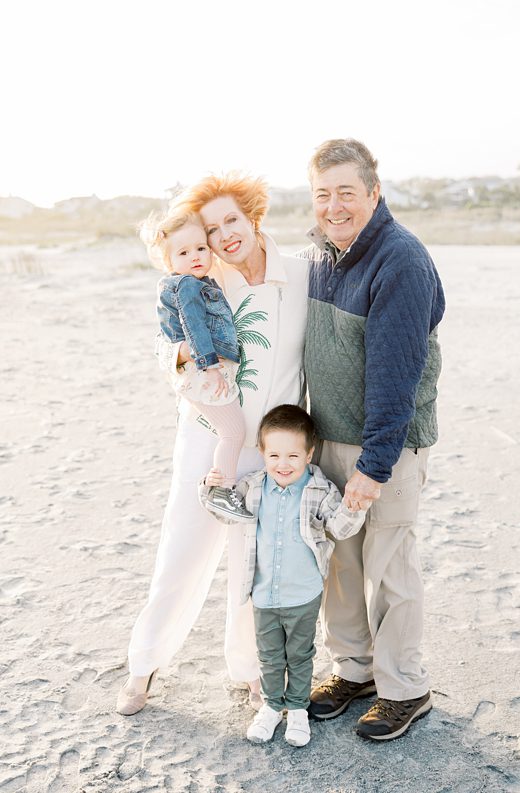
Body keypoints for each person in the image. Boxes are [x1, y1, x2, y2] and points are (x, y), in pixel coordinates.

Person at [117, 174, 310, 716]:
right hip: (207, 438)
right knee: (181, 552)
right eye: (211, 228)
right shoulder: (203, 276)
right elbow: (163, 342)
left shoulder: (301, 274)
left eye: (231, 221)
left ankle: (251, 673)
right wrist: (179, 356)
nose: (223, 236)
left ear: (253, 217)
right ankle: (143, 665)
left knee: (255, 565)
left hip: (270, 448)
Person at [300, 139, 445, 741]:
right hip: (328, 437)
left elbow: (397, 375)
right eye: (323, 194)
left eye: (346, 193)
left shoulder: (400, 260)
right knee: (339, 564)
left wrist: (375, 466)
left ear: (374, 193)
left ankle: (404, 688)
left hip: (386, 444)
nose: (334, 206)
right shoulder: (319, 254)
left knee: (388, 566)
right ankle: (354, 671)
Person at [201, 405, 365, 747]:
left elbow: (338, 528)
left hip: (303, 593)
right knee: (271, 655)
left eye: (293, 455)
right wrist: (211, 487)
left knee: (301, 653)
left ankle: (298, 709)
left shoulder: (320, 490)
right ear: (262, 453)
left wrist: (354, 505)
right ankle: (273, 707)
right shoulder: (252, 486)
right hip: (263, 592)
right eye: (274, 454)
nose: (283, 463)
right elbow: (225, 514)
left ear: (309, 453)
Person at [144, 208, 254, 522]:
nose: (196, 256)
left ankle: (221, 487)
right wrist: (211, 366)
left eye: (201, 248)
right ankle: (221, 488)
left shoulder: (192, 282)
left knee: (232, 431)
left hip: (200, 370)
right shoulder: (189, 286)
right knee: (233, 432)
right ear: (169, 261)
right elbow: (193, 327)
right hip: (201, 371)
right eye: (183, 252)